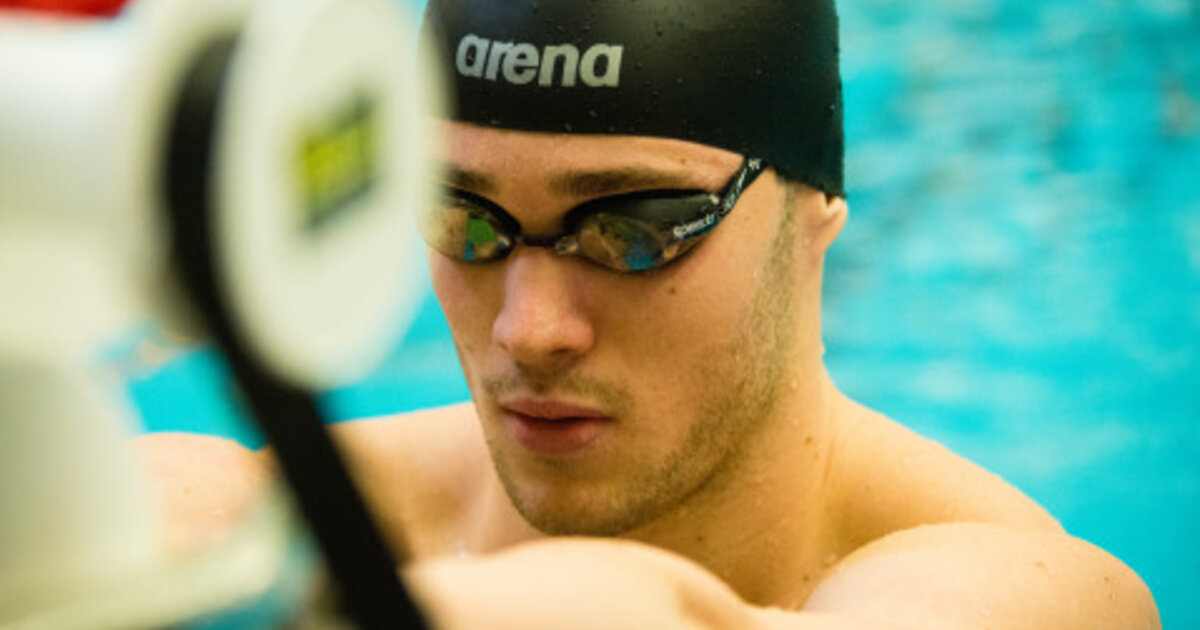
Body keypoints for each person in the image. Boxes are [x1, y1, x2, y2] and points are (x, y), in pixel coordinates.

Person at [139, 0, 1160, 628]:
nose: (530, 330)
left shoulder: (1028, 590)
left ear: (817, 216)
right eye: (467, 221)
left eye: (634, 228)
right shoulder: (281, 511)